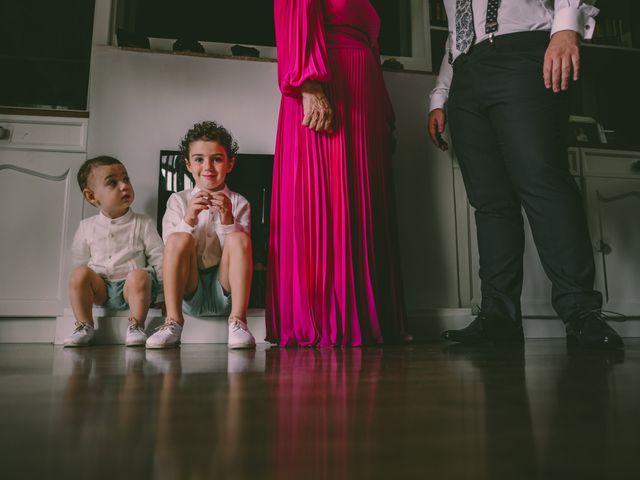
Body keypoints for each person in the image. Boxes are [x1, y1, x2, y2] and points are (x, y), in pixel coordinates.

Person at [427, 1, 623, 349]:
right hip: (467, 71)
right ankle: (498, 318)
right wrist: (439, 96)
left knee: (543, 183)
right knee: (489, 201)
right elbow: (457, 32)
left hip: (523, 52)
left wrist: (566, 27)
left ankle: (580, 312)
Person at [266, 0, 408, 347]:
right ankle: (325, 318)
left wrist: (384, 117)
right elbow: (293, 12)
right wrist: (309, 85)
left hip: (363, 94)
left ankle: (368, 317)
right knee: (326, 203)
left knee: (362, 208)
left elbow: (372, 52)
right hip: (329, 83)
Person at [146, 121, 256, 349]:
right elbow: (171, 248)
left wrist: (227, 220)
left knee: (239, 238)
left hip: (225, 291)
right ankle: (173, 321)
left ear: (230, 164)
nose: (208, 167)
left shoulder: (240, 203)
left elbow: (240, 253)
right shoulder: (178, 201)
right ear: (188, 164)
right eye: (199, 159)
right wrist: (189, 219)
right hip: (188, 291)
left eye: (216, 159)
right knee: (178, 237)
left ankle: (238, 322)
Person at [64, 156, 163, 347]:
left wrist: (161, 296)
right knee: (78, 273)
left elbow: (159, 258)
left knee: (139, 275)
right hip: (101, 289)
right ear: (92, 196)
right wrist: (80, 294)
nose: (124, 186)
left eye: (126, 179)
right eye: (113, 183)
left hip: (132, 290)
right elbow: (77, 263)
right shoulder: (86, 227)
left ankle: (136, 325)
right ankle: (84, 324)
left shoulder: (143, 223)